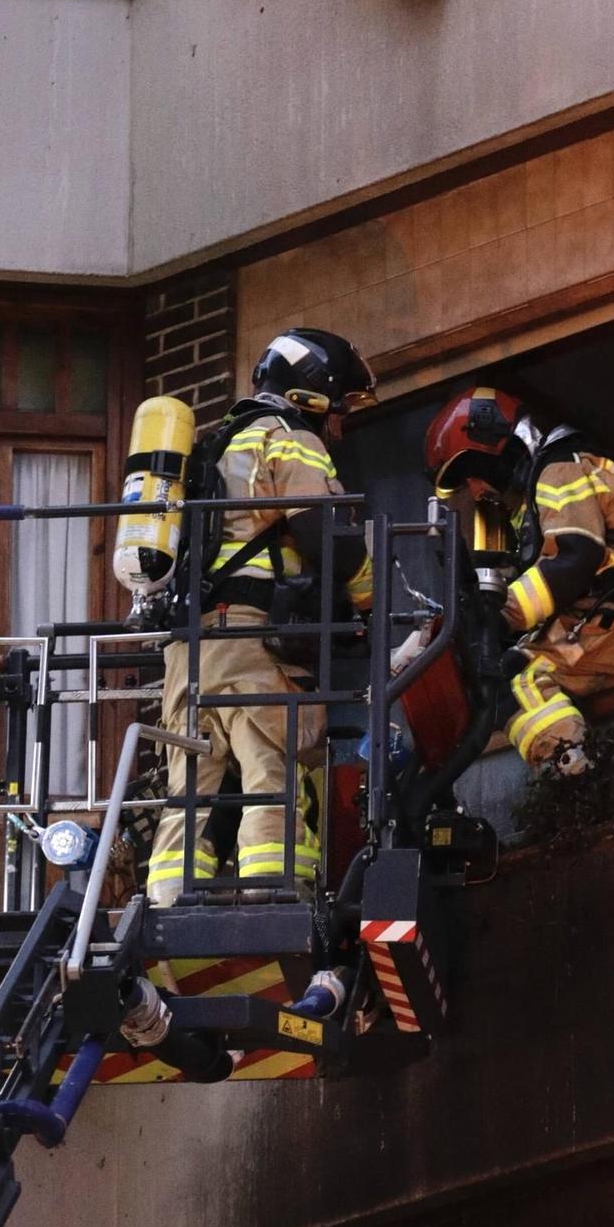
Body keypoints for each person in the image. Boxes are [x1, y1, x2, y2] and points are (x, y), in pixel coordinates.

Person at [145, 329, 377, 906]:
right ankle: (274, 889)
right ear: (315, 396)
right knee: (271, 765)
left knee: (190, 784)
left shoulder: (214, 446)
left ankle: (169, 896)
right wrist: (373, 603)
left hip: (187, 646)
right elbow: (333, 546)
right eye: (340, 409)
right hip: (249, 636)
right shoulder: (288, 438)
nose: (340, 425)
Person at [424, 386, 614, 776]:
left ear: (498, 442)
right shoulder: (536, 497)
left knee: (516, 678)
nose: (477, 490)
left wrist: (502, 615)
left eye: (473, 473)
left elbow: (576, 558)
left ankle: (570, 770)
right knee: (501, 670)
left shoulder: (559, 467)